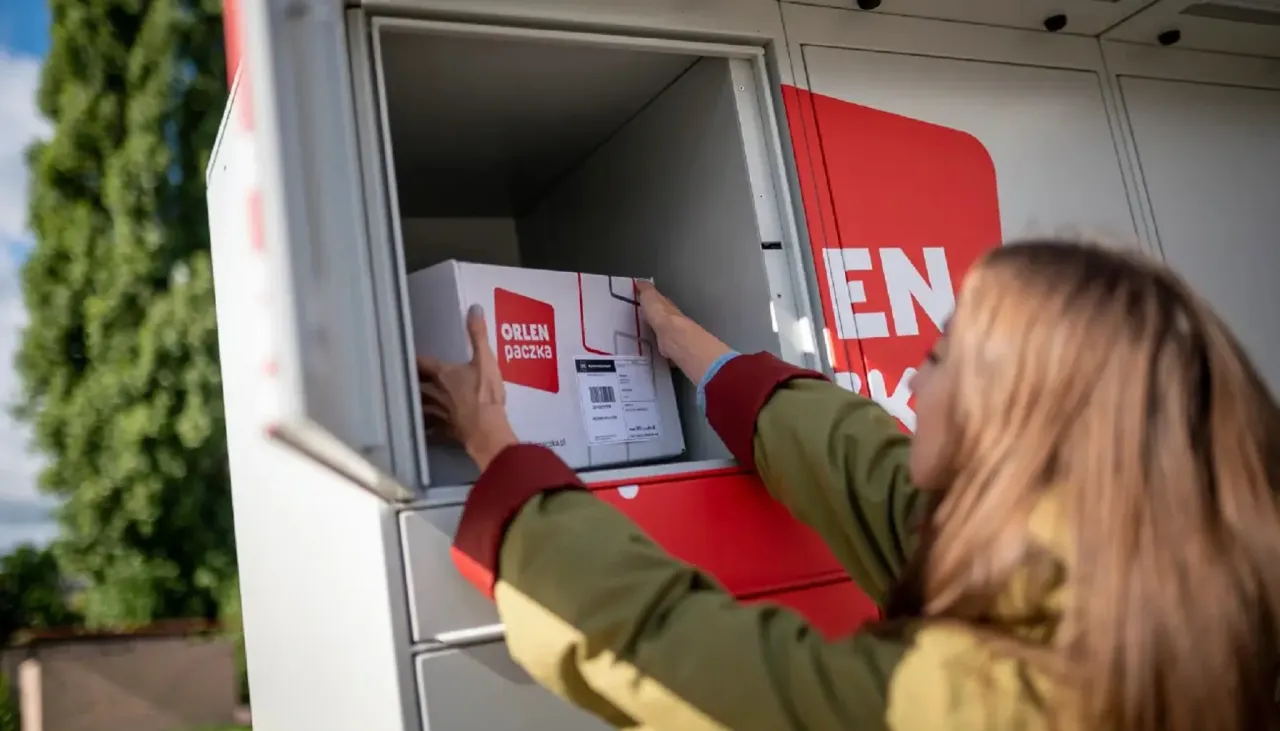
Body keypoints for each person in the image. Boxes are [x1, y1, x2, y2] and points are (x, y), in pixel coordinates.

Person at [417, 239, 1280, 731]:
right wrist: (686, 345)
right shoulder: (1137, 578)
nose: (915, 371)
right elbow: (877, 480)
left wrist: (498, 443)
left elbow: (673, 652)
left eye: (939, 358)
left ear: (1012, 421)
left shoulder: (974, 705)